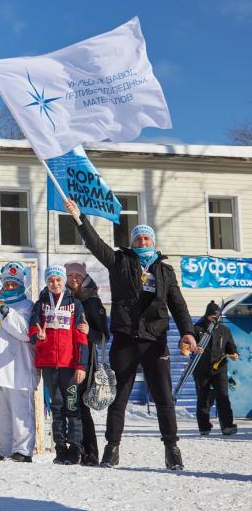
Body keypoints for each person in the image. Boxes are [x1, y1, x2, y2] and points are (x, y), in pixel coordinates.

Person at [65, 199, 198, 470]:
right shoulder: (120, 261)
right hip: (125, 339)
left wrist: (188, 332)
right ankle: (111, 449)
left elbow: (179, 304)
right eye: (138, 237)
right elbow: (95, 243)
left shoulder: (164, 270)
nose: (143, 241)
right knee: (119, 397)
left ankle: (172, 449)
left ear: (153, 242)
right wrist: (79, 218)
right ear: (133, 242)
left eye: (147, 237)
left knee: (163, 397)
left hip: (155, 340)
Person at [29, 265, 88, 466]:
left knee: (72, 406)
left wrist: (81, 365)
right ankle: (60, 448)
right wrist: (39, 337)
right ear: (46, 282)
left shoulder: (75, 304)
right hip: (49, 365)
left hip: (70, 365)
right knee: (56, 407)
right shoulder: (40, 304)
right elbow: (32, 331)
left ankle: (75, 448)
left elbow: (81, 337)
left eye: (58, 280)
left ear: (64, 282)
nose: (55, 284)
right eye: (51, 280)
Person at [0, 262, 36, 463]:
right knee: (0, 415)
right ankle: (4, 451)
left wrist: (7, 313)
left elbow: (24, 333)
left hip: (18, 368)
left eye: (14, 284)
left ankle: (22, 451)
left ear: (21, 284)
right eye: (7, 284)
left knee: (20, 413)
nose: (10, 287)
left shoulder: (28, 306)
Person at [65, 260, 109, 466]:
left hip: (85, 360)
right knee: (67, 406)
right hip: (64, 359)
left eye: (77, 276)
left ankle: (91, 453)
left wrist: (89, 332)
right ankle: (74, 449)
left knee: (81, 406)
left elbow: (104, 336)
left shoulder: (92, 301)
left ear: (84, 278)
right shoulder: (62, 298)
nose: (73, 279)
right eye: (70, 275)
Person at [193, 301, 239, 436]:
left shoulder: (225, 330)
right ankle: (204, 427)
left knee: (223, 397)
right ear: (208, 315)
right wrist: (193, 348)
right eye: (214, 316)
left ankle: (227, 426)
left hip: (220, 368)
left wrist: (234, 354)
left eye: (218, 316)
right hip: (201, 369)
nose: (216, 318)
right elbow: (186, 345)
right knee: (203, 398)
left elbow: (231, 347)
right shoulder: (197, 329)